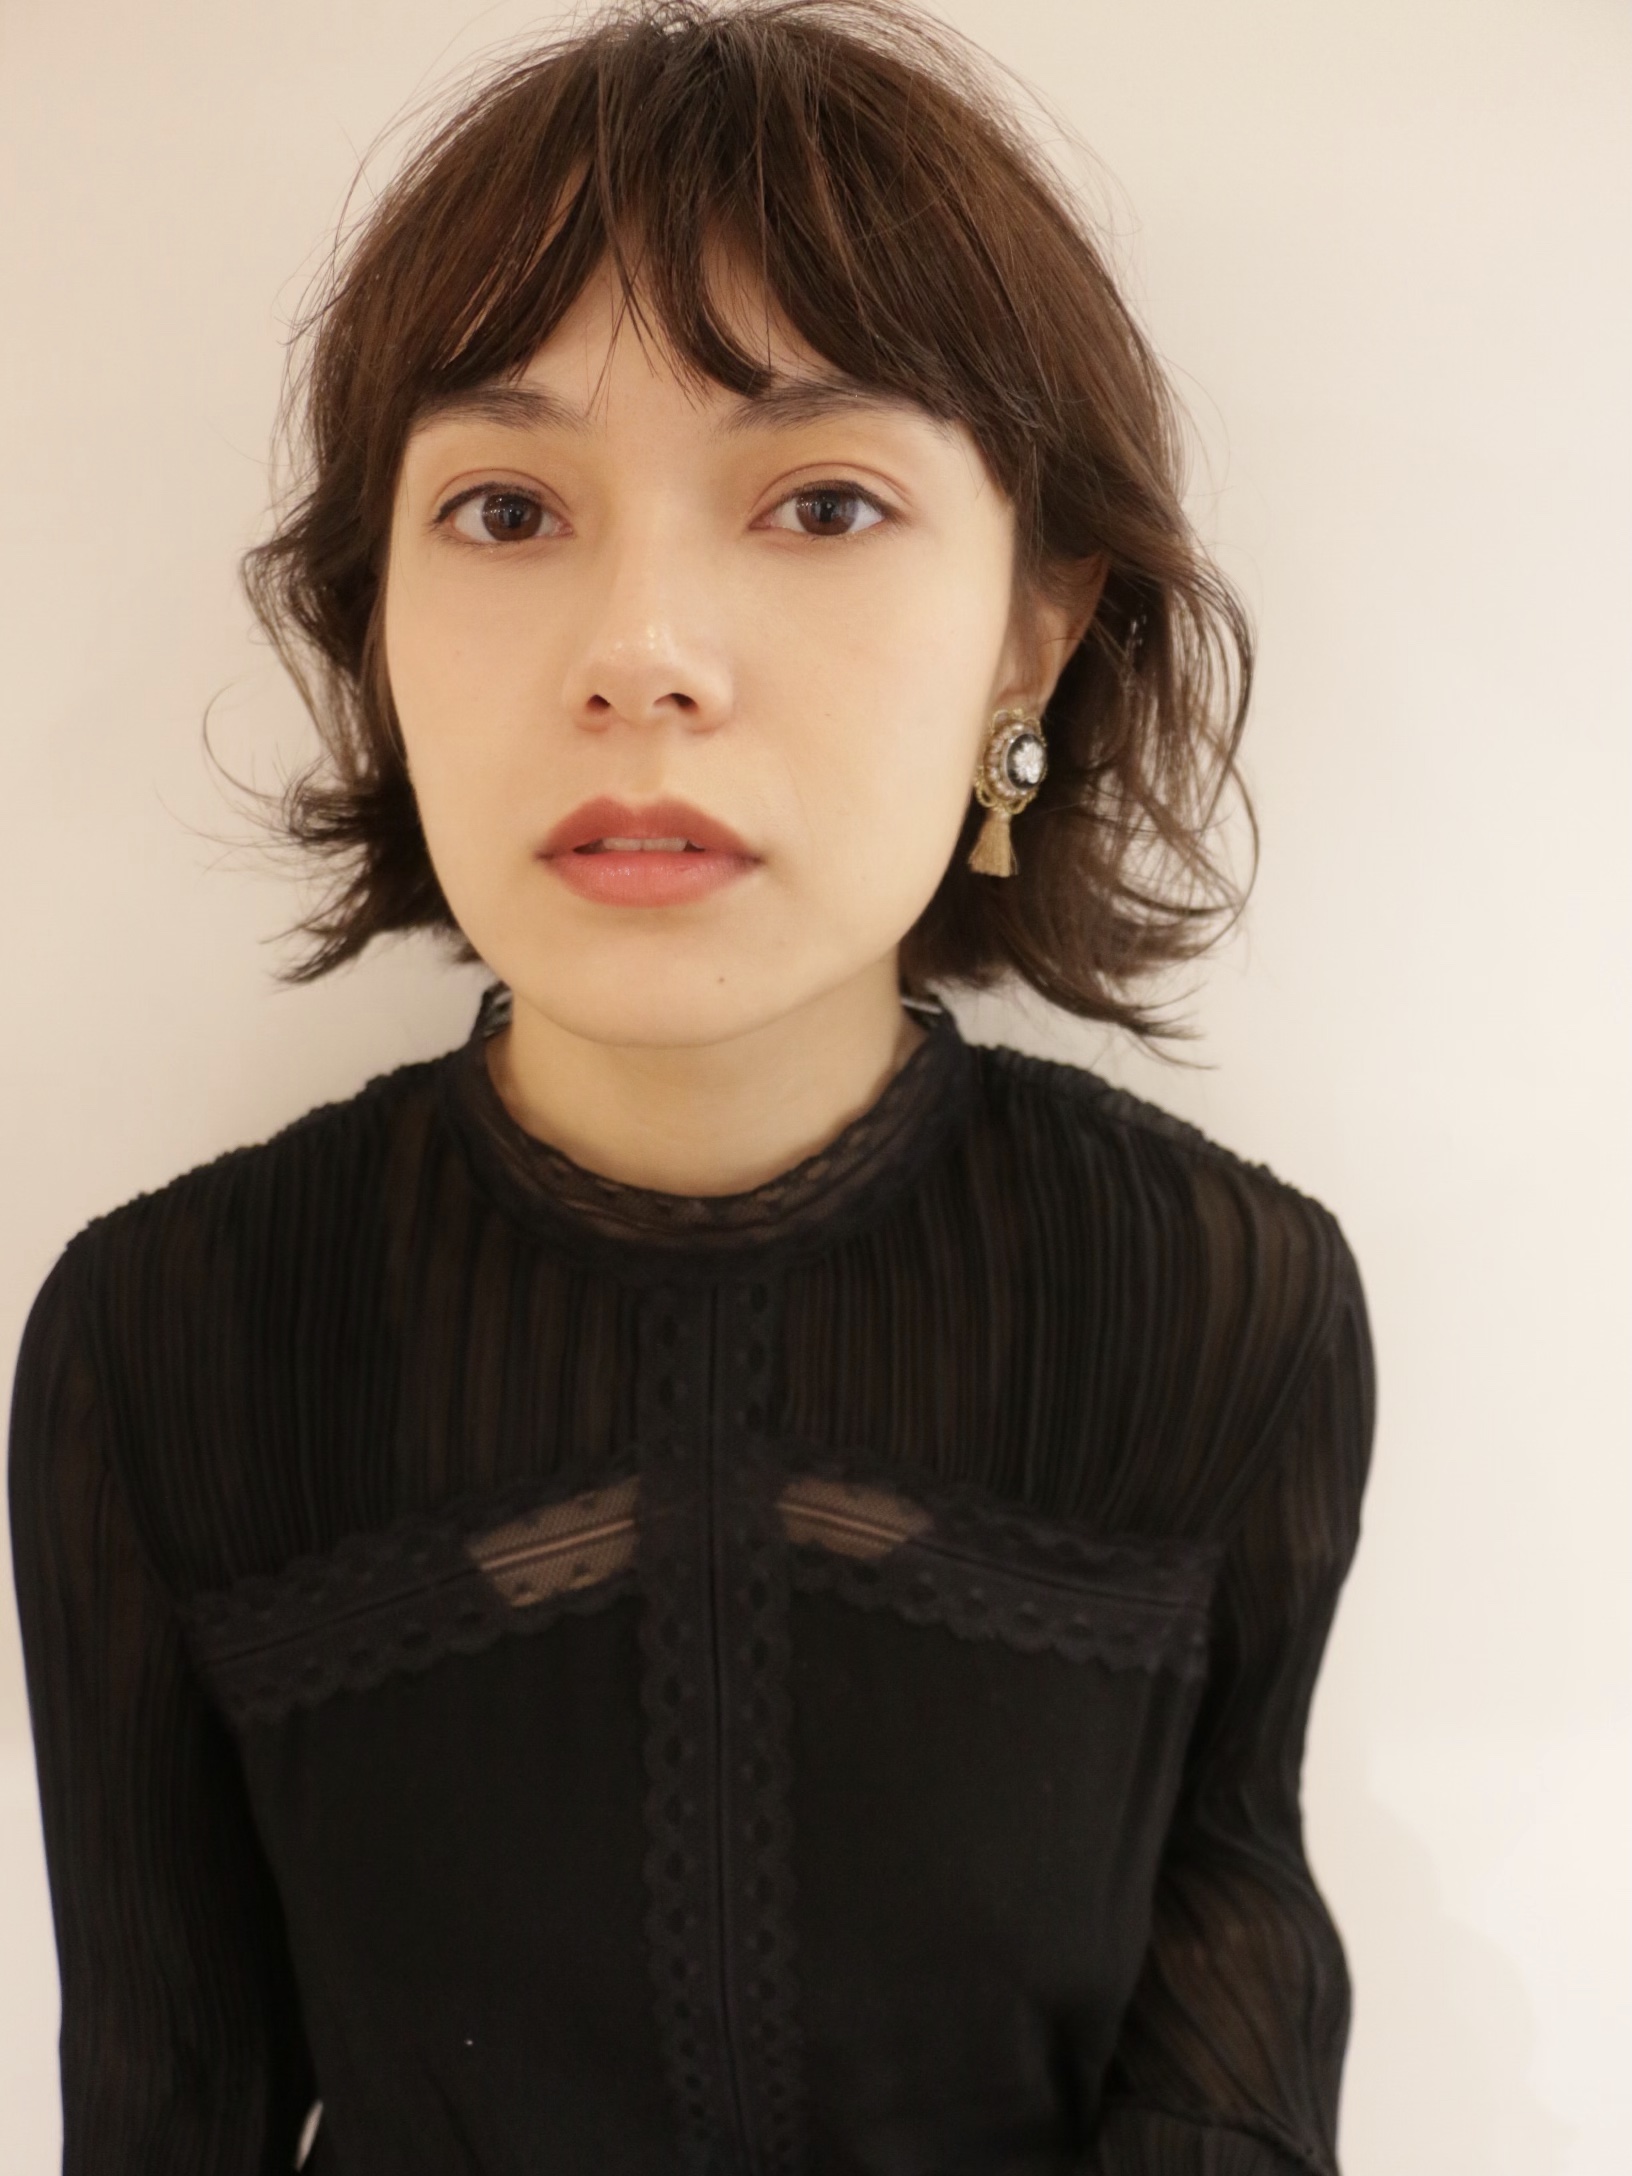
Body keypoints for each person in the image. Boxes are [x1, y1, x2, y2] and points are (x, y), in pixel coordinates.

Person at [6, 3, 1375, 2170]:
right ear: (377, 623)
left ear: (1035, 630)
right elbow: (161, 2105)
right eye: (505, 506)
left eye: (822, 501)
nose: (640, 651)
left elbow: (1235, 2053)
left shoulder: (1223, 1309)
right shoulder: (170, 1348)